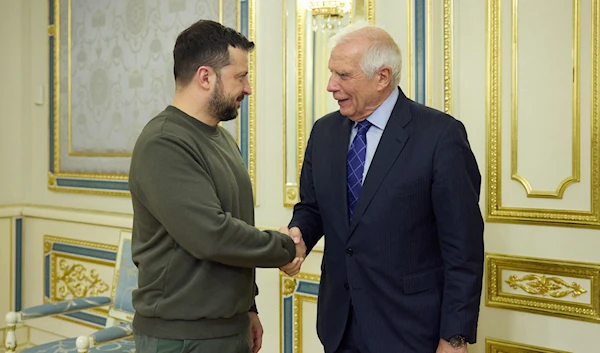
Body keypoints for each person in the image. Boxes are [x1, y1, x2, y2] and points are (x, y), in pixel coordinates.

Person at [280, 23, 484, 353]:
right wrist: (298, 236)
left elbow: (464, 249)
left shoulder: (440, 136)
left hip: (411, 330)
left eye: (343, 75)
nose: (331, 86)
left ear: (382, 77)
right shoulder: (324, 132)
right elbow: (313, 207)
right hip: (339, 326)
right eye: (332, 73)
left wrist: (455, 336)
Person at [128, 20, 306, 353]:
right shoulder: (164, 142)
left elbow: (235, 225)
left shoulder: (220, 138)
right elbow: (212, 235)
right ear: (206, 77)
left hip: (227, 328)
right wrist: (286, 247)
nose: (249, 88)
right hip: (182, 338)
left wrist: (248, 309)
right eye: (241, 77)